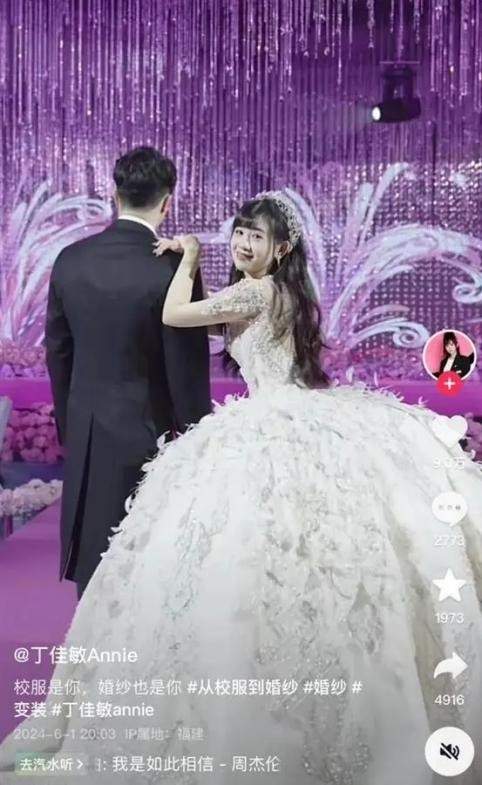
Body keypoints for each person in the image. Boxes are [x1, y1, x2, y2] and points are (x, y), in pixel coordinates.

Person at [1, 191, 482, 785]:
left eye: (256, 236)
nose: (243, 243)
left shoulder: (257, 291)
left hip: (272, 420)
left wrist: (189, 256)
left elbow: (175, 315)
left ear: (281, 249)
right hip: (288, 413)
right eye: (239, 232)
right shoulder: (274, 292)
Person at [44, 146, 211, 600]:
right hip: (151, 433)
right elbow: (186, 363)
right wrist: (197, 436)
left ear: (115, 196)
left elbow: (58, 353)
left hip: (88, 430)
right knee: (148, 571)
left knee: (94, 565)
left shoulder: (70, 259)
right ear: (167, 202)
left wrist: (72, 425)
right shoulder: (174, 266)